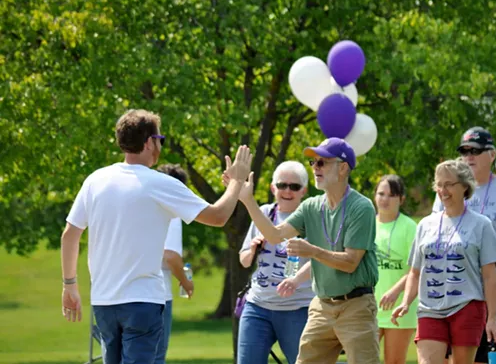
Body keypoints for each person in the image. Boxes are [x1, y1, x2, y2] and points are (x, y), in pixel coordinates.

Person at [60, 109, 252, 364]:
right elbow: (218, 217)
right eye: (159, 139)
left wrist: (69, 285)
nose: (160, 145)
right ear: (149, 142)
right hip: (142, 302)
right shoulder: (160, 183)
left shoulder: (95, 180)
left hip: (103, 302)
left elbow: (69, 236)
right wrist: (237, 182)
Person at [226, 137, 380, 364]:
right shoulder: (311, 206)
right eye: (314, 163)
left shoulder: (361, 207)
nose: (315, 168)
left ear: (343, 167)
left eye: (322, 162)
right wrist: (248, 200)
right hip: (322, 306)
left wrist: (313, 251)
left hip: (356, 306)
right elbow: (275, 235)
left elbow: (350, 262)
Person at [432, 127, 496, 364]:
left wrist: (480, 251)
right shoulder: (447, 189)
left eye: (475, 151)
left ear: (492, 155)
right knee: (455, 356)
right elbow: (436, 232)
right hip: (457, 284)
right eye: (464, 151)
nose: (469, 157)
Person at [392, 159, 496, 364]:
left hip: (467, 307)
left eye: (449, 184)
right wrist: (406, 302)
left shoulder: (482, 225)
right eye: (439, 184)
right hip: (429, 309)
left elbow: (489, 276)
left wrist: (492, 318)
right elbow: (415, 272)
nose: (443, 190)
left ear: (465, 186)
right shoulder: (425, 225)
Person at [235, 161, 315, 364]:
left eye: (294, 187)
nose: (287, 191)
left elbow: (321, 259)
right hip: (258, 306)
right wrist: (252, 248)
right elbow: (244, 261)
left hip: (297, 308)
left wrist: (296, 280)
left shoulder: (312, 218)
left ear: (304, 191)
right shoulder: (262, 213)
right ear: (273, 188)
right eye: (282, 185)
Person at [373, 175, 419, 364]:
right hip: (368, 309)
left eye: (391, 195)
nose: (384, 199)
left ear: (401, 199)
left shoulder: (410, 227)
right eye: (381, 194)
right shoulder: (366, 223)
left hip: (399, 309)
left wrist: (395, 291)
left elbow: (416, 270)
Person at [154, 163, 195, 364]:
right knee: (155, 357)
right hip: (158, 295)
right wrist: (186, 282)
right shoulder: (172, 213)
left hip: (120, 294)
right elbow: (170, 256)